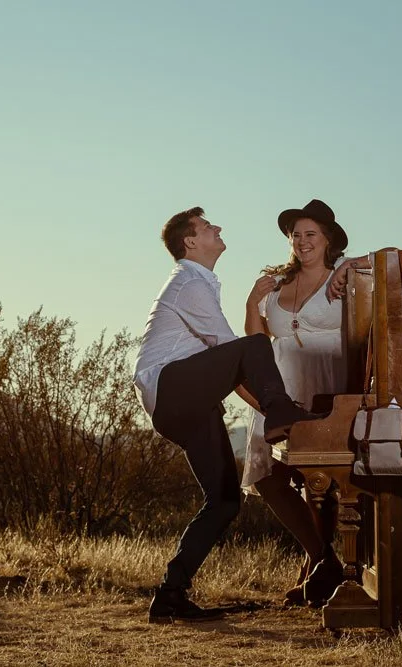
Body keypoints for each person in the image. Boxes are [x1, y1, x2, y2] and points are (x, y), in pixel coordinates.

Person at [133, 206, 323, 624]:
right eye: (207, 227)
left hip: (184, 403)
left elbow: (235, 372)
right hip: (172, 388)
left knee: (223, 501)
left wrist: (280, 414)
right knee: (255, 346)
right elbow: (238, 353)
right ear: (190, 242)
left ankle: (169, 596)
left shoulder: (198, 283)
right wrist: (281, 412)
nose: (217, 228)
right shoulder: (188, 284)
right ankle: (283, 414)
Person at [241, 199, 372, 607]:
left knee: (326, 481)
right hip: (281, 389)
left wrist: (351, 265)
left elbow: (395, 261)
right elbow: (256, 343)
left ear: (328, 239)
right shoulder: (276, 283)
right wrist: (251, 304)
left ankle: (320, 571)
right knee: (273, 478)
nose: (301, 242)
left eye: (310, 234)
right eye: (295, 235)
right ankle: (322, 559)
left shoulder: (346, 275)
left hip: (330, 385)